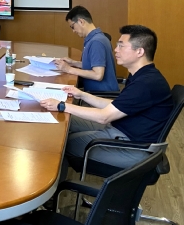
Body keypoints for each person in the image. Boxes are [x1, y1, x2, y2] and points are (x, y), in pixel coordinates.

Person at [41, 25, 173, 170]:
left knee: (62, 143)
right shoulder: (142, 75)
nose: (115, 50)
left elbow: (104, 117)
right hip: (119, 127)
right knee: (64, 121)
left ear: (139, 51)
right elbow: (116, 105)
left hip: (132, 147)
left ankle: (53, 181)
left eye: (121, 46)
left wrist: (62, 105)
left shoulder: (145, 83)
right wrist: (82, 94)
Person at [53, 5, 119, 92]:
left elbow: (97, 75)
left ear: (81, 21)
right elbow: (93, 65)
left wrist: (69, 69)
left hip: (102, 95)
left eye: (72, 26)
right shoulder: (95, 38)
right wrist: (73, 63)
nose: (73, 31)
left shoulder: (96, 42)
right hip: (95, 92)